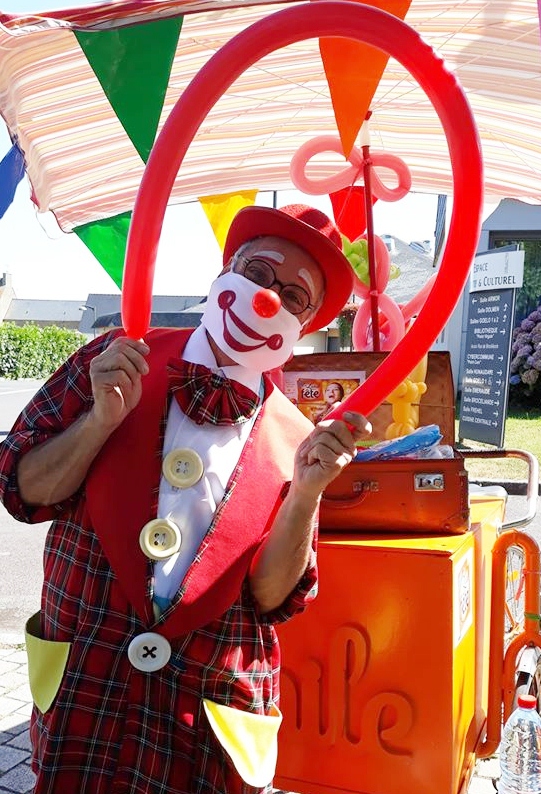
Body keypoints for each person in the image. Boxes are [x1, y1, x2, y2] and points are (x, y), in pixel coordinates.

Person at [0, 203, 371, 794]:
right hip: (88, 682)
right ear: (223, 273)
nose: (266, 298)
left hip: (206, 704)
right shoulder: (116, 358)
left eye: (293, 297)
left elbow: (272, 596)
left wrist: (305, 493)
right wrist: (99, 422)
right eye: (256, 273)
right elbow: (23, 489)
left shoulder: (297, 436)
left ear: (302, 327)